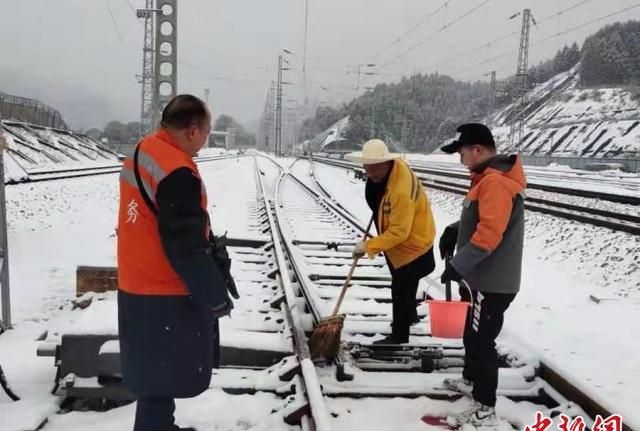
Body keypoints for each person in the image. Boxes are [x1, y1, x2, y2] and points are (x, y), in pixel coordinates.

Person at [117, 95, 235, 431]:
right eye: (208, 132)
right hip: (164, 289)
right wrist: (214, 295)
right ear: (194, 130)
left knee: (155, 375)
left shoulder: (144, 149)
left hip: (135, 280)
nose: (205, 140)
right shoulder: (177, 170)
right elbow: (185, 248)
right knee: (165, 372)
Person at [438, 123, 526, 426]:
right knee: (471, 334)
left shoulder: (495, 183)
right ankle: (471, 381)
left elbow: (488, 235)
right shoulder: (485, 179)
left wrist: (457, 265)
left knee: (482, 341)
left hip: (491, 282)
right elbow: (480, 219)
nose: (460, 159)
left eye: (462, 152)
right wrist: (453, 231)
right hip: (480, 280)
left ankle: (485, 405)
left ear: (477, 149)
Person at [346, 139, 436, 344]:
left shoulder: (400, 192)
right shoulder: (394, 170)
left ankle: (399, 335)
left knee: (401, 288)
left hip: (413, 245)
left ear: (387, 163)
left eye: (375, 168)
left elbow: (399, 233)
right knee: (406, 283)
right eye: (367, 168)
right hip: (413, 239)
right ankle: (409, 316)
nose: (370, 173)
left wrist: (368, 246)